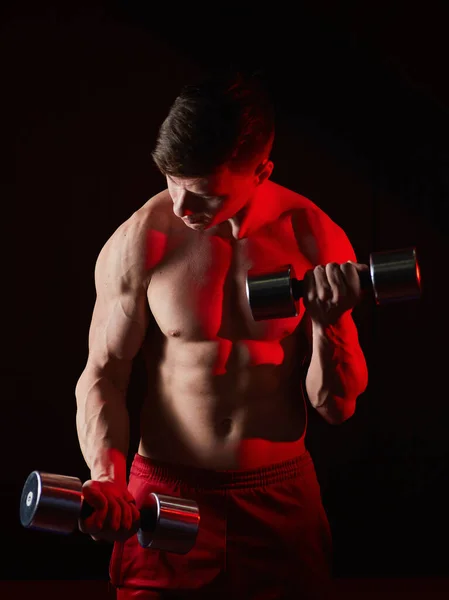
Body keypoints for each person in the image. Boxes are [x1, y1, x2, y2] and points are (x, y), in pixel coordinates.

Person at [74, 69, 369, 599]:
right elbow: (102, 375)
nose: (182, 208)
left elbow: (337, 406)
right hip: (165, 492)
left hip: (279, 498)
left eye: (203, 195)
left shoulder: (313, 236)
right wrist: (105, 477)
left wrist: (332, 319)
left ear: (261, 171)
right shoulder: (145, 239)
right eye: (173, 184)